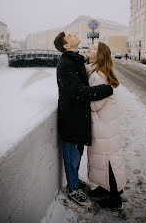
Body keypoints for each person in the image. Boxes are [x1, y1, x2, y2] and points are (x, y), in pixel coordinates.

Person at [54, 32, 113, 207]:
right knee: (71, 157)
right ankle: (73, 189)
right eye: (70, 35)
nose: (74, 35)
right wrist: (105, 90)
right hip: (71, 118)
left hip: (78, 117)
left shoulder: (75, 60)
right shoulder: (66, 64)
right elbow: (78, 91)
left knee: (77, 154)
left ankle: (75, 181)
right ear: (66, 45)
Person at [85, 42, 126, 209]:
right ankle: (104, 187)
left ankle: (115, 197)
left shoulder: (98, 76)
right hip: (104, 124)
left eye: (94, 48)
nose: (89, 48)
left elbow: (95, 105)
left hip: (105, 126)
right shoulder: (96, 72)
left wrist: (82, 98)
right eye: (91, 46)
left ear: (100, 55)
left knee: (108, 160)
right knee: (102, 158)